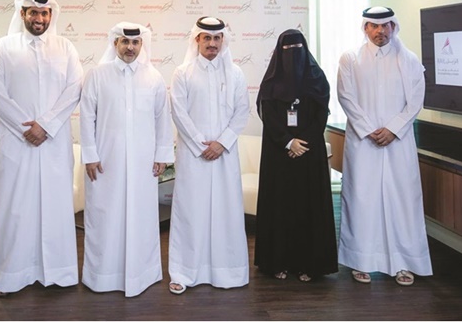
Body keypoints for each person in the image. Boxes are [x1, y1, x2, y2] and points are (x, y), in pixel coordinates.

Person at [0, 0, 84, 297]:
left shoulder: (65, 47)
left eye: (44, 13)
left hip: (53, 143)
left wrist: (47, 125)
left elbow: (74, 88)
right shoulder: (4, 47)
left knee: (55, 208)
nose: (39, 18)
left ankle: (57, 273)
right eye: (33, 13)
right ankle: (10, 276)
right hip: (16, 144)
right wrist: (25, 127)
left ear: (50, 16)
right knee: (14, 210)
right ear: (23, 14)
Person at [337, 6, 433, 286]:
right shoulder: (350, 59)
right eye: (374, 26)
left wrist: (393, 129)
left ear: (394, 27)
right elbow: (346, 97)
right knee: (362, 200)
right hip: (363, 142)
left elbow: (416, 99)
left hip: (398, 142)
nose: (381, 31)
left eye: (386, 26)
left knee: (402, 201)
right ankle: (360, 261)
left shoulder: (409, 59)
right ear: (365, 28)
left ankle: (403, 262)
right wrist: (369, 130)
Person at [79, 22, 174, 297]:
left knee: (142, 217)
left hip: (143, 162)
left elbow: (162, 118)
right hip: (105, 161)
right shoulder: (97, 75)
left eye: (135, 43)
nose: (130, 48)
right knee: (105, 216)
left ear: (141, 45)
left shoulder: (153, 77)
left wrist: (162, 156)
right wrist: (90, 155)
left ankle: (142, 274)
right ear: (115, 44)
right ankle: (102, 276)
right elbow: (87, 117)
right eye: (124, 42)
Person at [168, 16, 250, 294]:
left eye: (217, 38)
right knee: (191, 211)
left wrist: (222, 143)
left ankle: (227, 273)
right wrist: (201, 145)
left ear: (223, 41)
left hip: (225, 155)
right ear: (197, 40)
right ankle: (183, 272)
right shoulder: (183, 72)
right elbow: (179, 112)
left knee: (226, 212)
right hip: (195, 156)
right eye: (207, 38)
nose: (212, 43)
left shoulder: (236, 73)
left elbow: (242, 112)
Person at [254, 29, 338, 282]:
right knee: (280, 208)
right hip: (279, 155)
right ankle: (277, 262)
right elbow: (268, 116)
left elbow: (321, 115)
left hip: (309, 154)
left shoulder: (317, 78)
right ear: (280, 52)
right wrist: (288, 142)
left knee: (308, 208)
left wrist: (304, 142)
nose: (293, 55)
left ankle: (309, 265)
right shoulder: (271, 82)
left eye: (297, 49)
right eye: (287, 50)